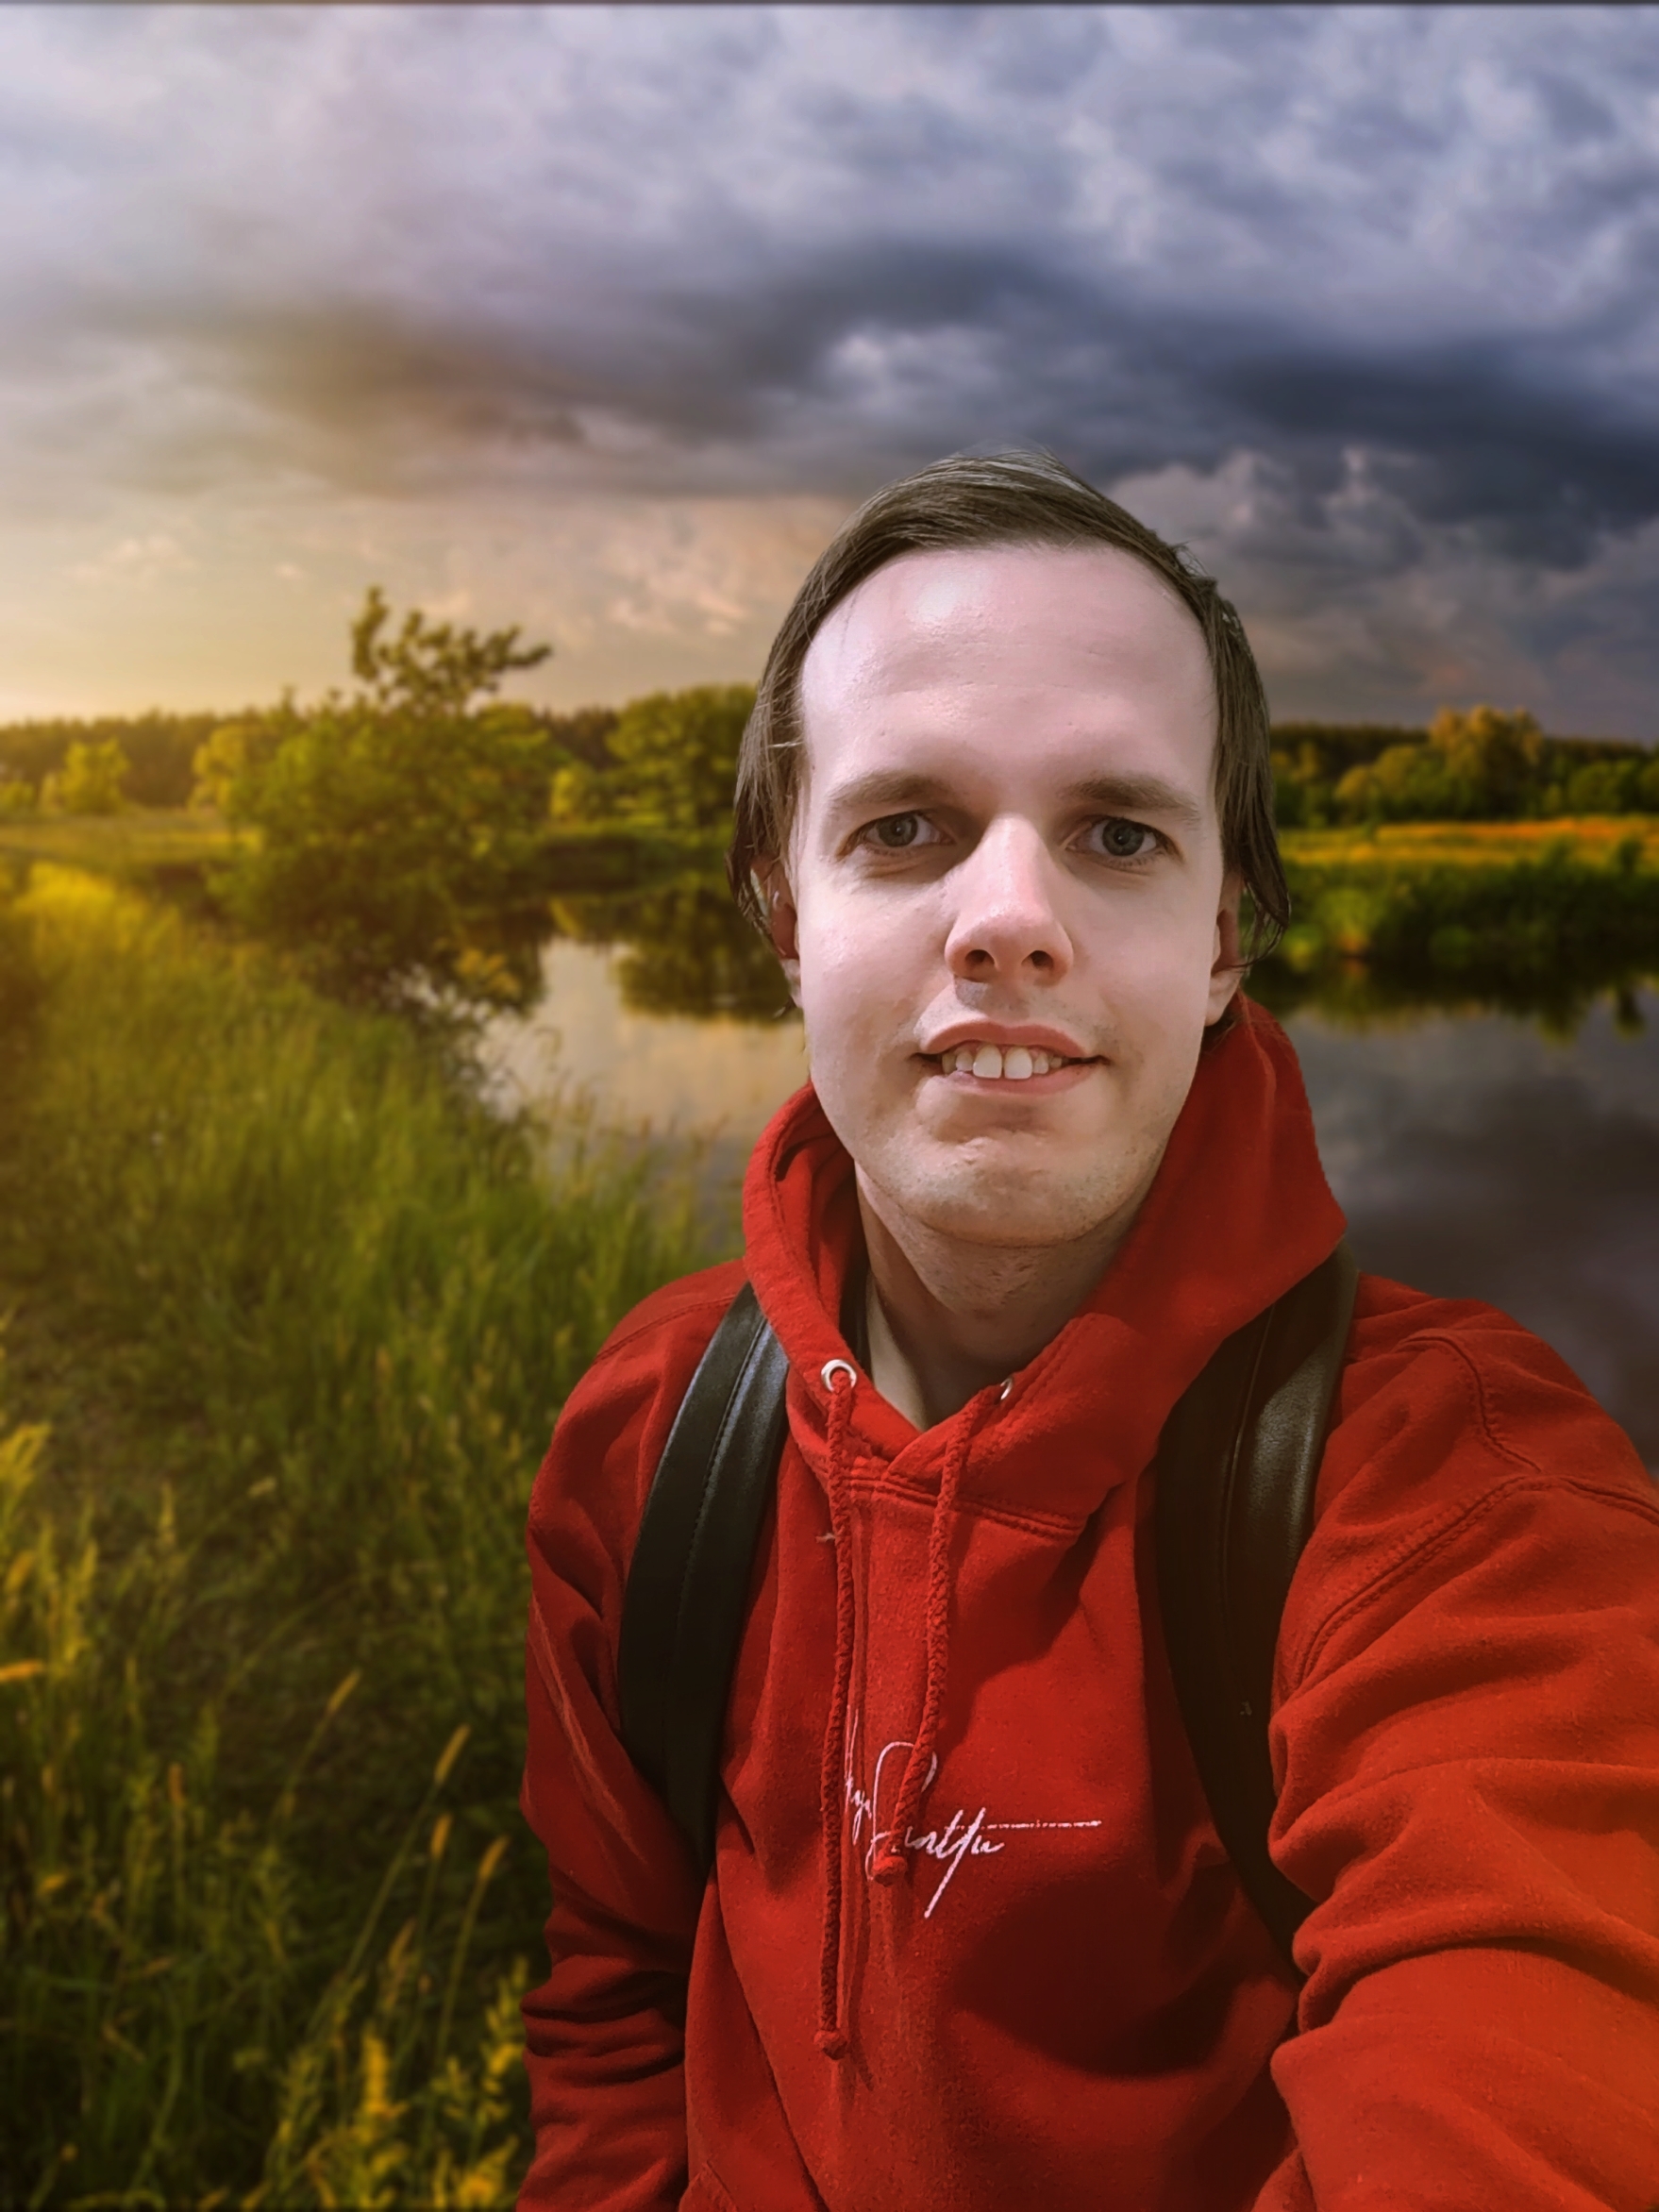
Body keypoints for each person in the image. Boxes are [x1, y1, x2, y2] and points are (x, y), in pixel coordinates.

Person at [517, 451, 1659, 2211]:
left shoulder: (1473, 1504)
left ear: (1220, 941)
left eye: (1116, 834)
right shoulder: (652, 1434)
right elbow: (616, 2002)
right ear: (786, 919)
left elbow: (1531, 2079)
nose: (1008, 922)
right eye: (904, 827)